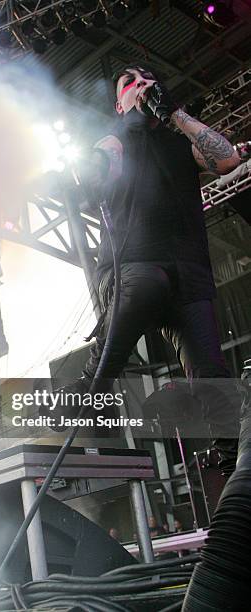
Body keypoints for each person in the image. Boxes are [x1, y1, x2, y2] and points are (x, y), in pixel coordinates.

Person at [61, 63, 242, 476]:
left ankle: (230, 463)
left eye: (148, 81)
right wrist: (112, 143)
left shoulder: (180, 145)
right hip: (132, 266)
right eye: (131, 83)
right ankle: (93, 383)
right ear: (118, 103)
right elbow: (100, 172)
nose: (142, 87)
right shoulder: (116, 141)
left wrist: (174, 112)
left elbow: (228, 159)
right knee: (145, 282)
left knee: (213, 376)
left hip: (189, 274)